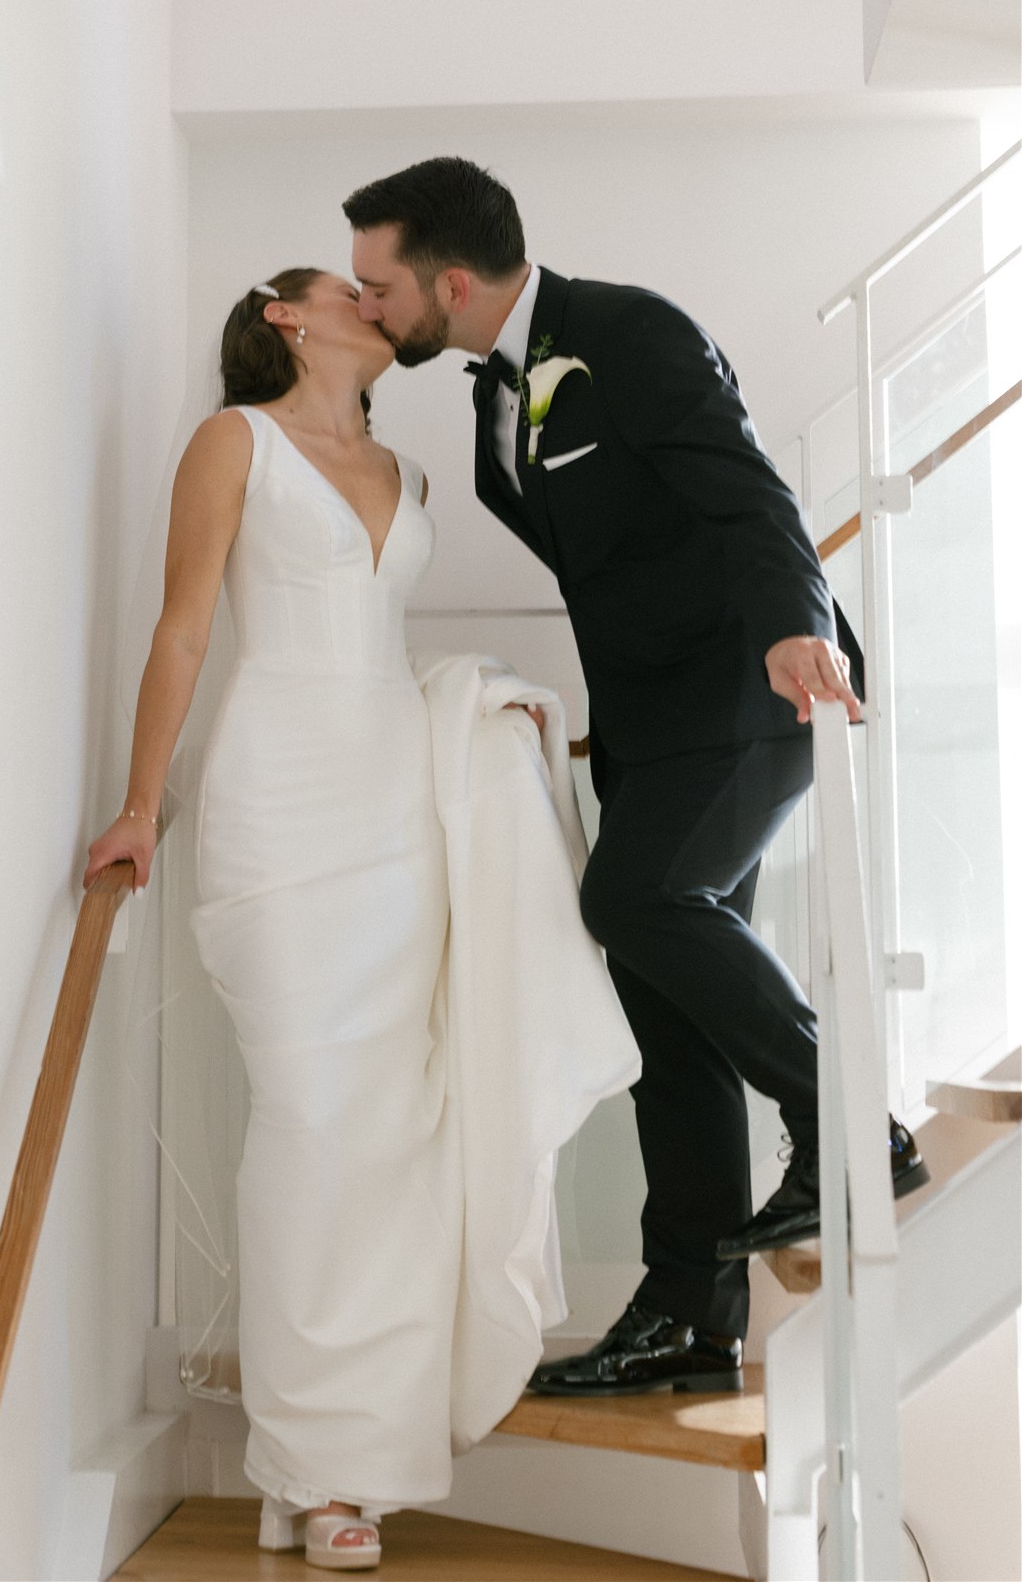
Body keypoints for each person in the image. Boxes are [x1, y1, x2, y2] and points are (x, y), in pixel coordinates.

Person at [345, 155, 928, 1398]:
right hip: (654, 731)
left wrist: (797, 627)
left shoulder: (629, 333)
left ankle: (851, 1123)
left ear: (452, 283)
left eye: (379, 286)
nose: (371, 306)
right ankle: (688, 1313)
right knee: (667, 1008)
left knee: (632, 899)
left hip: (752, 692)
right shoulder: (492, 397)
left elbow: (750, 492)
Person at [83, 265, 638, 1565]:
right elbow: (182, 633)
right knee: (311, 1116)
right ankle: (301, 1452)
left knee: (394, 1124)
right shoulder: (233, 442)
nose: (375, 303)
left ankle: (345, 1471)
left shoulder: (413, 474)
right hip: (277, 802)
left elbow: (382, 648)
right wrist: (139, 804)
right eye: (348, 288)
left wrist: (480, 708)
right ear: (284, 317)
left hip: (396, 811)